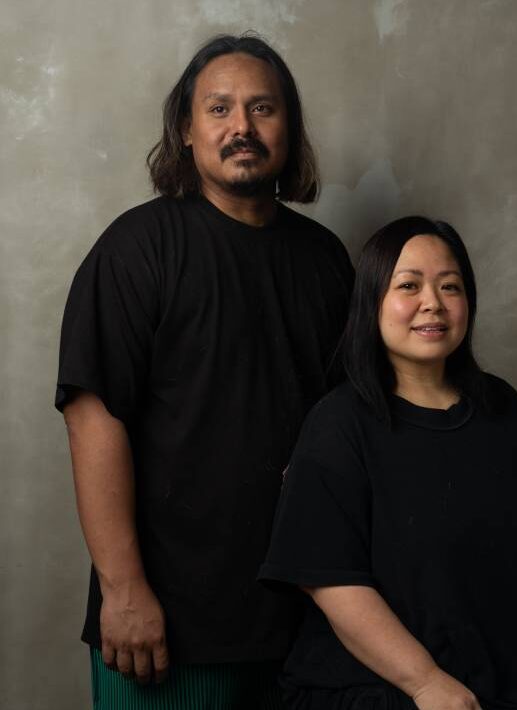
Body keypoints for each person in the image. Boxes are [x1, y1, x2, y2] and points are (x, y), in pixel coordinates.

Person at [56, 34, 353, 709]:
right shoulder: (137, 248)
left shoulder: (326, 260)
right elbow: (92, 417)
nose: (241, 126)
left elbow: (348, 427)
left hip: (306, 622)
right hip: (165, 627)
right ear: (186, 131)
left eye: (262, 108)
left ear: (289, 127)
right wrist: (123, 590)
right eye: (218, 109)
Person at [259, 217, 517, 710]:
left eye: (450, 286)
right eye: (409, 286)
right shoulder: (338, 425)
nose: (433, 302)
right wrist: (425, 682)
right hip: (386, 682)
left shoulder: (505, 409)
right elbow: (329, 579)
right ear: (372, 302)